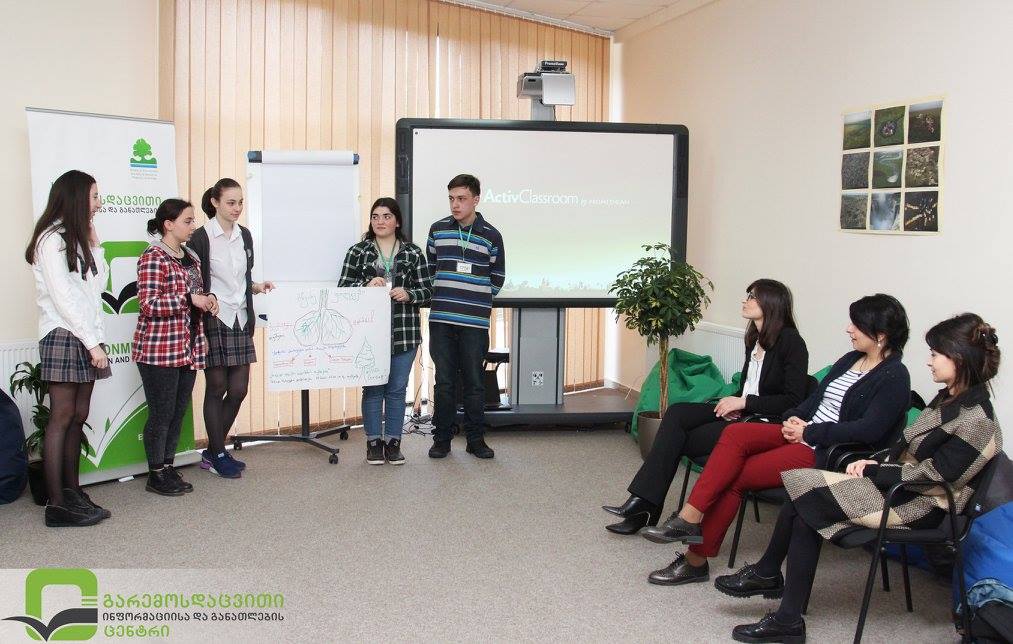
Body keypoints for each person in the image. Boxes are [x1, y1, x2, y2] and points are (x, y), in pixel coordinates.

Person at [721, 313, 1002, 644]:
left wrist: (874, 470)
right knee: (802, 489)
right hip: (904, 489)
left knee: (805, 493)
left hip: (922, 506)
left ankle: (779, 599)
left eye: (935, 354)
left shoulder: (978, 420)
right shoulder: (950, 398)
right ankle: (781, 604)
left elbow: (935, 476)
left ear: (959, 359)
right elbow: (907, 447)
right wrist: (876, 460)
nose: (929, 361)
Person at [639, 294, 911, 587]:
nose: (849, 329)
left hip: (824, 450)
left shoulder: (894, 376)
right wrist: (794, 417)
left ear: (880, 335)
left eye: (856, 325)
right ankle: (689, 519)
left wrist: (809, 433)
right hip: (800, 431)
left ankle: (695, 559)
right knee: (735, 433)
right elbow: (813, 400)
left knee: (735, 476)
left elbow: (868, 431)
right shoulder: (850, 360)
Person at [603, 279, 809, 534]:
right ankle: (643, 504)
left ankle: (644, 508)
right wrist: (735, 402)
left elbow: (793, 400)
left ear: (771, 303)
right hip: (744, 411)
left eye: (752, 296)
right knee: (677, 412)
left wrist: (744, 402)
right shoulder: (754, 339)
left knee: (679, 439)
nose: (745, 300)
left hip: (763, 421)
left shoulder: (792, 343)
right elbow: (749, 387)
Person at [25, 170, 112, 527]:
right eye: (94, 196)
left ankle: (73, 492)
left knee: (78, 415)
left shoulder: (75, 238)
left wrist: (95, 244)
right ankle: (57, 504)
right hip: (63, 334)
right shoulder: (51, 240)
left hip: (86, 333)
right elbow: (63, 298)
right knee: (61, 416)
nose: (99, 203)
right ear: (77, 197)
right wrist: (92, 344)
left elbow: (97, 286)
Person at [188, 178, 273, 478]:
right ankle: (219, 452)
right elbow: (195, 281)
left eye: (240, 203)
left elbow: (241, 277)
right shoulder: (200, 237)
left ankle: (213, 452)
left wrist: (255, 286)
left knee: (239, 390)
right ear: (215, 202)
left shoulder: (244, 235)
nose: (237, 208)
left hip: (240, 317)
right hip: (215, 317)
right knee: (217, 388)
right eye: (231, 203)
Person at [339, 197, 432, 464]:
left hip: (404, 332)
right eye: (375, 216)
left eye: (386, 216)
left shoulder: (413, 253)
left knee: (397, 390)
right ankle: (373, 443)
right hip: (369, 336)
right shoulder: (358, 252)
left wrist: (409, 294)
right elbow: (342, 289)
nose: (380, 221)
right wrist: (365, 286)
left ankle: (393, 443)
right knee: (373, 390)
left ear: (397, 221)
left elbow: (428, 291)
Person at [133, 199, 216, 496]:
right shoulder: (153, 256)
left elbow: (197, 293)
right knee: (162, 413)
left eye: (193, 220)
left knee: (178, 411)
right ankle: (156, 473)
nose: (193, 226)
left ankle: (167, 467)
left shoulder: (190, 255)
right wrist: (188, 299)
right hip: (159, 349)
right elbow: (148, 304)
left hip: (188, 346)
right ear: (168, 224)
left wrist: (208, 299)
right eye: (187, 221)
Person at [425, 174, 505, 459]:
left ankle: (475, 440)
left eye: (461, 199)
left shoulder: (491, 235)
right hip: (442, 320)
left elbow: (497, 278)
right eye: (451, 199)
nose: (455, 205)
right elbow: (431, 269)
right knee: (444, 382)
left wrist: (474, 300)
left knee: (474, 382)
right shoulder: (437, 230)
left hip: (474, 322)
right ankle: (442, 439)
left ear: (476, 199)